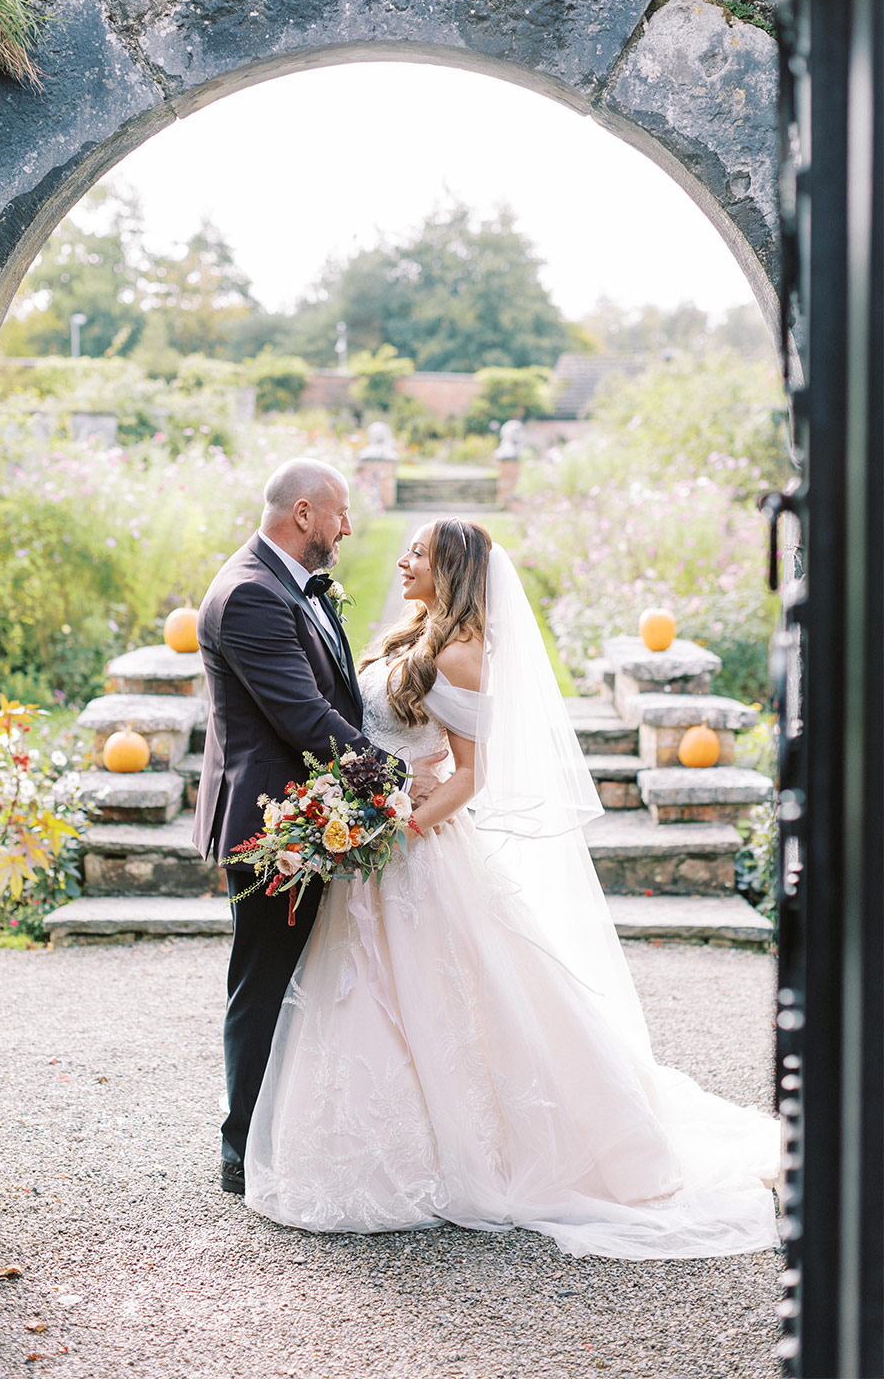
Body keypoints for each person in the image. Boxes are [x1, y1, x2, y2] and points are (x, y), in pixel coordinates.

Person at [243, 517, 781, 1258]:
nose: (402, 562)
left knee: (451, 1001)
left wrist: (399, 828)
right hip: (371, 852)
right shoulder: (413, 634)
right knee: (363, 996)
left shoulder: (462, 655)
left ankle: (478, 1152)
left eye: (418, 554)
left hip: (417, 850)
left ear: (452, 570)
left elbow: (470, 775)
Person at [193, 460, 444, 1196]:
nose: (347, 529)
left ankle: (277, 1130)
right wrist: (397, 776)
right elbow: (304, 719)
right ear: (303, 513)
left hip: (307, 818)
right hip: (273, 825)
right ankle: (241, 1148)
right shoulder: (249, 595)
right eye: (338, 514)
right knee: (266, 978)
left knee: (297, 975)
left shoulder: (284, 585)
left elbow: (333, 694)